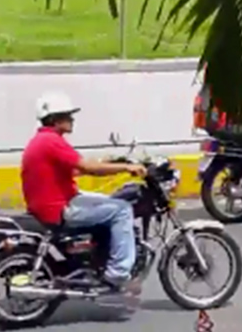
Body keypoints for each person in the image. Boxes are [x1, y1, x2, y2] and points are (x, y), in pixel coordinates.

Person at [21, 92, 147, 291]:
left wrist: (108, 162)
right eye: (67, 115)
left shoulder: (44, 140)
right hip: (59, 207)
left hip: (55, 202)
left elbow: (74, 169)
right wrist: (126, 168)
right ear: (54, 119)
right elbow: (88, 169)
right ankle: (118, 273)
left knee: (109, 202)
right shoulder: (52, 142)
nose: (72, 119)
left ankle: (99, 254)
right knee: (122, 209)